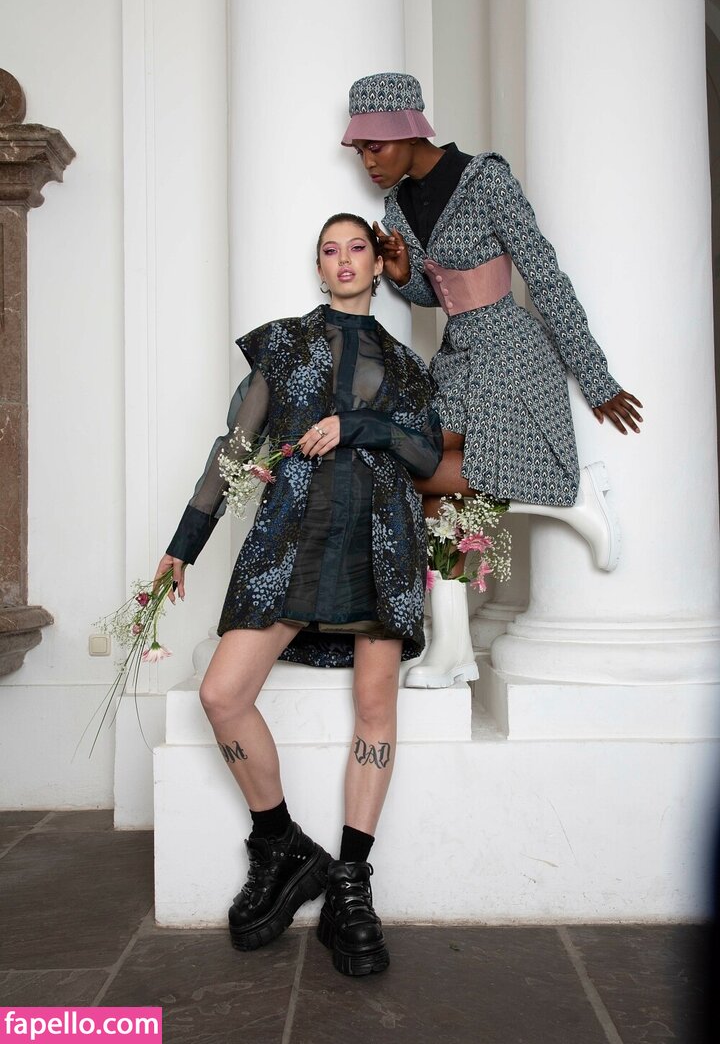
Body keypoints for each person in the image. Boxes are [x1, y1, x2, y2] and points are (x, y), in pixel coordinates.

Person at [152, 213, 442, 977]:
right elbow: (234, 449)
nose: (343, 260)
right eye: (329, 251)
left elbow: (422, 453)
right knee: (222, 693)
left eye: (356, 249)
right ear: (319, 268)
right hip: (291, 538)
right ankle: (280, 842)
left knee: (376, 708)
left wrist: (358, 425)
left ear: (375, 265)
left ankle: (351, 883)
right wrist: (184, 545)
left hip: (382, 541)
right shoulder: (282, 344)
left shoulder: (406, 366)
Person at [341, 71, 643, 688]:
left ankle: (573, 497)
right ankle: (452, 650)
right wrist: (403, 275)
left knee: (422, 466)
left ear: (410, 130)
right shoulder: (396, 207)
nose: (368, 161)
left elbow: (544, 274)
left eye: (376, 145)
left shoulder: (485, 179)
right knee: (430, 484)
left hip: (510, 354)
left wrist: (595, 376)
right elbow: (439, 292)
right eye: (360, 149)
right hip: (457, 360)